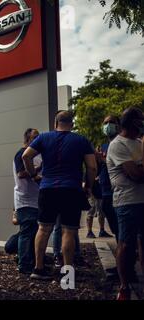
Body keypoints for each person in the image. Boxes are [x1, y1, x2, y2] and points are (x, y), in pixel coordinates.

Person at [22, 111, 97, 280]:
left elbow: (26, 156)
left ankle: (38, 269)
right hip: (71, 189)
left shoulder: (44, 138)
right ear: (71, 123)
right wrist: (88, 187)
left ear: (56, 122)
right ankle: (68, 275)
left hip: (48, 189)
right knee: (68, 231)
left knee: (43, 228)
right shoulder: (81, 140)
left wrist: (33, 175)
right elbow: (92, 167)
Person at [106, 107, 144, 300]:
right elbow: (136, 175)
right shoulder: (118, 145)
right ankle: (124, 286)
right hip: (127, 202)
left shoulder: (139, 142)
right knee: (126, 244)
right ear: (132, 124)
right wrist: (139, 167)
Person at [13, 128, 42, 274]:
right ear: (27, 139)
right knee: (26, 233)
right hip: (25, 200)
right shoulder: (22, 153)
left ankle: (28, 259)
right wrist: (37, 170)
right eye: (35, 137)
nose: (37, 139)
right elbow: (21, 174)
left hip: (36, 199)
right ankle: (24, 265)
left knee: (32, 232)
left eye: (39, 137)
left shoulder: (37, 154)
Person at [97, 115, 121, 240]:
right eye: (105, 123)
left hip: (118, 191)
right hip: (105, 191)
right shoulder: (104, 146)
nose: (108, 126)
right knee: (117, 229)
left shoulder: (121, 143)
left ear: (118, 125)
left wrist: (104, 160)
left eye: (111, 122)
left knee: (123, 229)